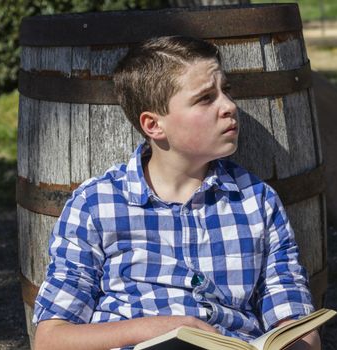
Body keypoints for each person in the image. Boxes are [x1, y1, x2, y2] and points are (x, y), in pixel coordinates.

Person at [33, 35, 320, 350]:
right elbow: (51, 339)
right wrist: (165, 328)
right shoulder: (96, 205)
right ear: (154, 125)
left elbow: (293, 321)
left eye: (227, 91)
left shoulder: (258, 202)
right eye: (205, 98)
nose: (229, 106)